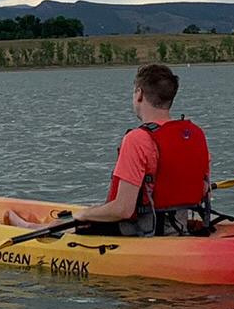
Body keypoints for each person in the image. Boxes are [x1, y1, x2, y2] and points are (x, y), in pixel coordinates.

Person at [64, 63, 213, 236]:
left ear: (139, 94)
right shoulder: (196, 133)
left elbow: (123, 210)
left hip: (141, 233)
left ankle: (27, 227)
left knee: (64, 223)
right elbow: (203, 191)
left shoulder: (137, 139)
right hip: (179, 227)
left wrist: (83, 214)